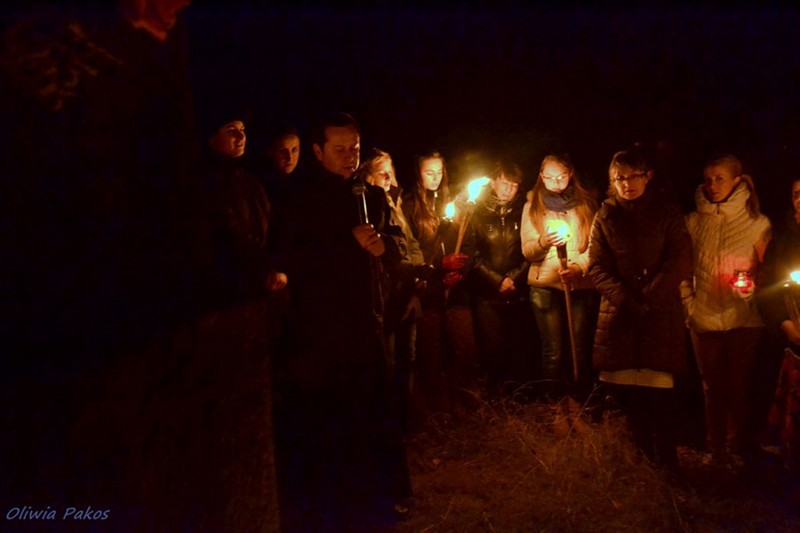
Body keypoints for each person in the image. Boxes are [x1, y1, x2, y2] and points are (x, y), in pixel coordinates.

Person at [279, 113, 411, 530]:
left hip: (368, 319)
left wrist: (384, 246)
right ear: (318, 152)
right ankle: (339, 500)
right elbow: (292, 257)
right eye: (339, 149)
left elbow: (400, 246)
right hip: (324, 328)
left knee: (375, 409)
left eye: (354, 148)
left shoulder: (371, 194)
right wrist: (343, 242)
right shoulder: (300, 199)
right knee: (336, 416)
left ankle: (383, 494)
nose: (349, 156)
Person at [589, 146, 693, 469]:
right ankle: (640, 465)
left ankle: (668, 464)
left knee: (660, 395)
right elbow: (597, 267)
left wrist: (650, 297)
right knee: (630, 397)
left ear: (647, 176)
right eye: (619, 178)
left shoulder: (666, 212)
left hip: (659, 313)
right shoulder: (605, 215)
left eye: (633, 176)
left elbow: (680, 258)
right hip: (620, 315)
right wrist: (626, 299)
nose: (626, 184)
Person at [681, 154, 771, 467]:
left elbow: (766, 271)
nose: (712, 185)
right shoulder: (693, 222)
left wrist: (750, 290)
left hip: (743, 319)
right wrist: (690, 304)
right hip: (704, 317)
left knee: (739, 386)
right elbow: (682, 269)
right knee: (711, 386)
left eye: (720, 178)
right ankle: (715, 448)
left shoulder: (757, 223)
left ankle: (738, 447)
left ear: (737, 180)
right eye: (708, 179)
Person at [402, 150, 479, 420]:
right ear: (418, 174)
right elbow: (414, 249)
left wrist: (460, 271)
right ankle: (438, 409)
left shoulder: (454, 202)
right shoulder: (410, 206)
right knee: (431, 351)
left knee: (464, 347)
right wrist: (439, 268)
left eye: (439, 172)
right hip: (429, 289)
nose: (435, 178)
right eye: (429, 172)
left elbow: (468, 242)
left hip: (457, 289)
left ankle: (463, 402)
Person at [358, 148, 425, 432]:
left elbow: (410, 245)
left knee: (408, 359)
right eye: (380, 172)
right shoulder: (367, 207)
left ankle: (407, 423)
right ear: (367, 176)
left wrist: (418, 281)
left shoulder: (397, 203)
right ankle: (388, 424)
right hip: (387, 295)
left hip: (407, 290)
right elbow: (386, 256)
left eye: (390, 172)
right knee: (389, 360)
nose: (387, 177)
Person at [521, 154, 598, 399]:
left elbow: (595, 248)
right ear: (541, 177)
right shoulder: (532, 207)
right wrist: (544, 242)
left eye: (562, 177)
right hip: (544, 286)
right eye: (550, 177)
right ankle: (552, 403)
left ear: (570, 175)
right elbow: (528, 251)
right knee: (552, 350)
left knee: (580, 347)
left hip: (578, 284)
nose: (556, 183)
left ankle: (581, 400)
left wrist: (577, 268)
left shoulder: (586, 205)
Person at [471, 160, 536, 396]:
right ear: (493, 182)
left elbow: (530, 250)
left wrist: (513, 279)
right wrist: (497, 280)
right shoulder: (476, 211)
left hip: (518, 292)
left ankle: (520, 396)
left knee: (519, 348)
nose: (509, 189)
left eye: (515, 185)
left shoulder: (525, 211)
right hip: (487, 293)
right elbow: (472, 254)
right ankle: (493, 398)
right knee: (492, 348)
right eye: (505, 183)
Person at [758, 176, 800, 469]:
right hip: (792, 340)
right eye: (797, 194)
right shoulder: (782, 241)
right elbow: (769, 290)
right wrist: (787, 325)